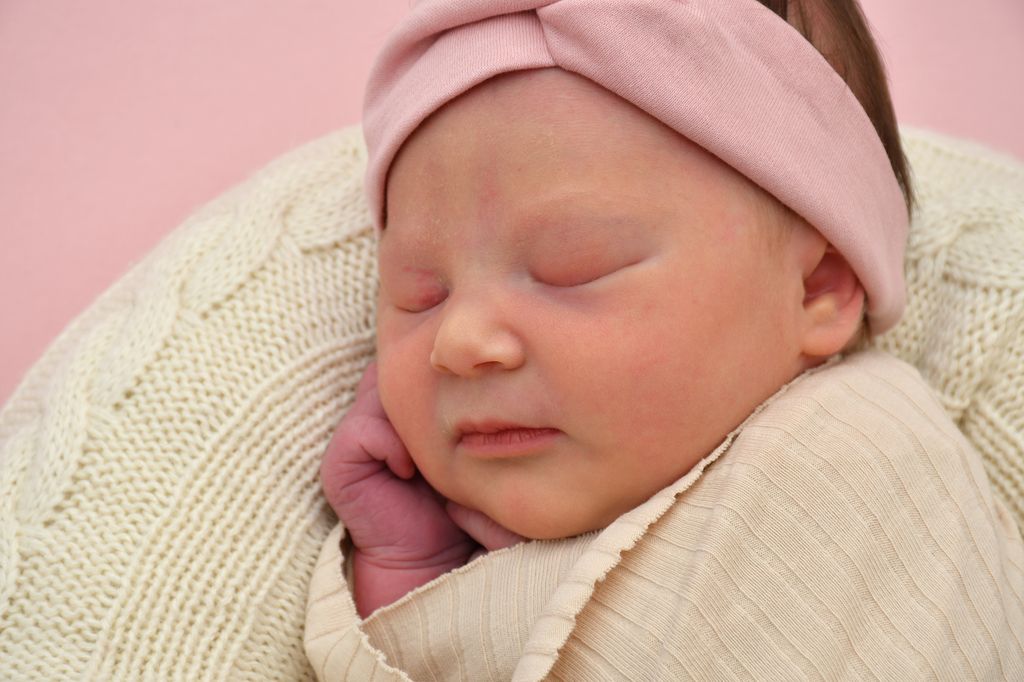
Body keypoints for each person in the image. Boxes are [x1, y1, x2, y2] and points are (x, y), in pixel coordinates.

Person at [305, 0, 1024, 679]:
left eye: (572, 267)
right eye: (419, 293)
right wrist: (411, 570)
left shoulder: (869, 462)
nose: (459, 341)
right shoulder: (457, 538)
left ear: (817, 288)